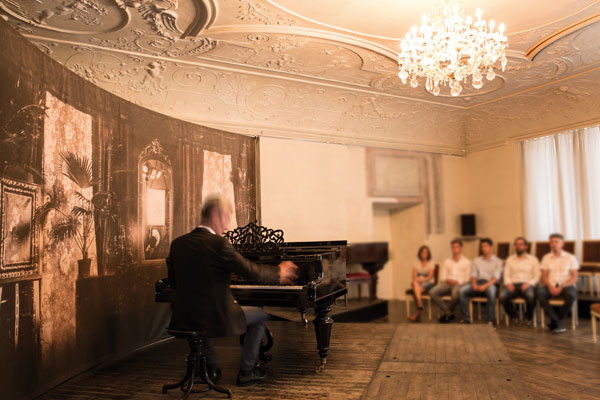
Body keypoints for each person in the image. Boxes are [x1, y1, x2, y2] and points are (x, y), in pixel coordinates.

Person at [167, 196, 298, 386]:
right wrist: (279, 272)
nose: (228, 226)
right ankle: (247, 371)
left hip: (184, 315)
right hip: (216, 315)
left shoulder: (178, 244)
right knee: (260, 315)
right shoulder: (218, 244)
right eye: (227, 218)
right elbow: (252, 271)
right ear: (215, 215)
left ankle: (211, 369)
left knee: (201, 315)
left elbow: (173, 282)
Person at [537, 233, 579, 334]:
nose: (554, 244)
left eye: (556, 242)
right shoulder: (546, 257)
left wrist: (562, 286)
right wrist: (550, 286)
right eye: (551, 242)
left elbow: (574, 276)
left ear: (562, 244)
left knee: (571, 295)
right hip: (550, 284)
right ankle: (557, 322)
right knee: (539, 293)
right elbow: (544, 276)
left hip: (566, 284)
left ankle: (555, 321)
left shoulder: (570, 257)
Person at [459, 238, 503, 326]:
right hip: (478, 282)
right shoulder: (476, 260)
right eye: (482, 246)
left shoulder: (498, 261)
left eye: (485, 246)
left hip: (490, 283)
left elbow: (496, 278)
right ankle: (466, 318)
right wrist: (474, 284)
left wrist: (485, 286)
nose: (483, 248)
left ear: (491, 247)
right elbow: (473, 274)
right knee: (462, 291)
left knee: (491, 291)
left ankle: (490, 320)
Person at [500, 237, 540, 326]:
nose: (518, 246)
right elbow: (506, 274)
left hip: (528, 284)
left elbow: (537, 275)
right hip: (513, 284)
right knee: (502, 296)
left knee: (531, 296)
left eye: (521, 244)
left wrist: (529, 283)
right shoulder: (510, 259)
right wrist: (508, 283)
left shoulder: (533, 259)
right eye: (516, 244)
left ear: (526, 246)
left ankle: (528, 317)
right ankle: (514, 316)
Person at [430, 239, 471, 323]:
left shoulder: (467, 262)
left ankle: (446, 314)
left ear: (461, 248)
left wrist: (457, 281)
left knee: (455, 294)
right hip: (447, 283)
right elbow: (442, 276)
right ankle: (449, 313)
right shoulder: (447, 261)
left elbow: (467, 278)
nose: (455, 249)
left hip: (459, 284)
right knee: (432, 292)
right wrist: (447, 280)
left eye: (457, 247)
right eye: (453, 247)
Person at [408, 245, 435, 322]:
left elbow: (430, 276)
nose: (424, 253)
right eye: (422, 252)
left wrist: (420, 280)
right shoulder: (416, 263)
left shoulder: (431, 262)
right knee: (415, 284)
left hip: (429, 283)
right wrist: (417, 280)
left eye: (426, 252)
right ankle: (419, 303)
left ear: (428, 253)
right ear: (420, 253)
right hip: (418, 283)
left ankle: (417, 312)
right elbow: (414, 275)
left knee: (415, 289)